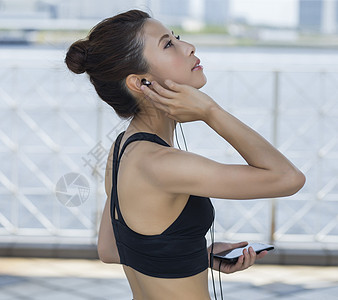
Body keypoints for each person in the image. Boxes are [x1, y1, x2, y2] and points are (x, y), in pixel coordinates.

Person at [65, 9, 305, 300]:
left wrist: (192, 256)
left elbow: (111, 249)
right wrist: (210, 111)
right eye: (168, 44)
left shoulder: (122, 148)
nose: (188, 46)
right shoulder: (163, 165)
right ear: (140, 83)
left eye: (176, 37)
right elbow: (288, 178)